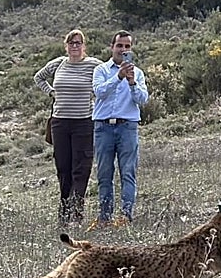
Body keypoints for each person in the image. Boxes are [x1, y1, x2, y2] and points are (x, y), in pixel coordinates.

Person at [34, 29, 102, 228]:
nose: (74, 46)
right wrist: (51, 92)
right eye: (71, 42)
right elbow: (39, 77)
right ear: (66, 46)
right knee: (63, 168)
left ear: (84, 46)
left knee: (81, 168)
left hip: (83, 122)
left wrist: (99, 96)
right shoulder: (58, 64)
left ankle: (77, 214)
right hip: (60, 123)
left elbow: (109, 75)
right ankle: (64, 214)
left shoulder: (93, 65)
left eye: (78, 42)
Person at [91, 30, 149, 230]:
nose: (123, 50)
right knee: (104, 173)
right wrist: (118, 77)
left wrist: (132, 82)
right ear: (112, 47)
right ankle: (105, 217)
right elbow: (99, 92)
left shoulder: (138, 73)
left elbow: (142, 99)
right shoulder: (101, 70)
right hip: (103, 127)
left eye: (127, 46)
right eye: (119, 46)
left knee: (128, 172)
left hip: (127, 127)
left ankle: (126, 216)